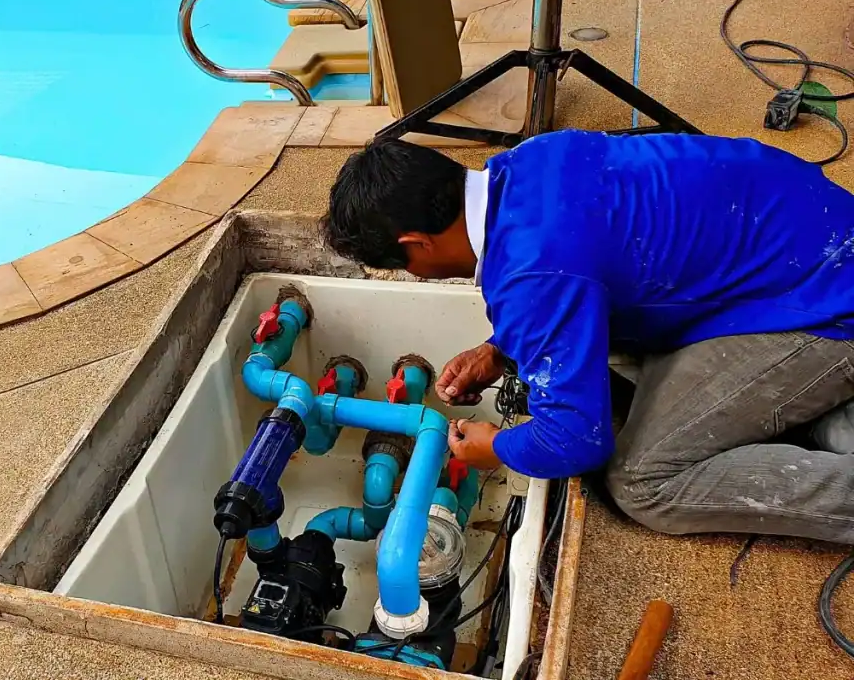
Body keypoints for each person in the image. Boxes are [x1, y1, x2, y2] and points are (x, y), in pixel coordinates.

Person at [321, 130, 854, 543]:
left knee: (642, 481)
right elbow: (581, 261)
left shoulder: (532, 278)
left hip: (824, 301)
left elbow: (576, 439)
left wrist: (499, 447)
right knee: (615, 364)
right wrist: (501, 348)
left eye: (402, 266)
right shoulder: (530, 160)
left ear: (416, 244)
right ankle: (820, 414)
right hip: (807, 232)